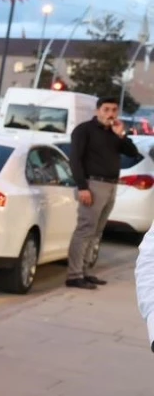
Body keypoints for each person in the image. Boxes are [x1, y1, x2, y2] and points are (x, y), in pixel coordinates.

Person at [66, 96, 143, 289]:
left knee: (97, 231)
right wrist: (82, 187)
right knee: (85, 230)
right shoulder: (84, 130)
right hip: (93, 184)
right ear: (97, 110)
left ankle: (85, 272)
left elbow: (133, 153)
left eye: (114, 110)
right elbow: (75, 159)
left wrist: (121, 135)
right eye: (106, 109)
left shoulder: (114, 133)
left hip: (111, 185)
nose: (110, 114)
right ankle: (74, 275)